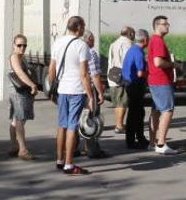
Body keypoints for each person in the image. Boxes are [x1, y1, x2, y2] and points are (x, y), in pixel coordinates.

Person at [48, 16, 96, 175]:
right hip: (76, 90)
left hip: (62, 89)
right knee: (72, 126)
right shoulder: (81, 45)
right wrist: (90, 95)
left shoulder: (58, 42)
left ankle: (59, 160)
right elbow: (84, 74)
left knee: (62, 125)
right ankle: (69, 164)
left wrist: (51, 90)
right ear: (79, 27)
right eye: (83, 26)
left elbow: (51, 70)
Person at [148, 15, 178, 155]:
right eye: (165, 24)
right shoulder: (158, 41)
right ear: (157, 25)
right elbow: (158, 62)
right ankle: (161, 144)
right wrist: (173, 64)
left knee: (156, 111)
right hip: (161, 81)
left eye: (168, 23)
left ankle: (153, 141)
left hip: (155, 81)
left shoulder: (154, 40)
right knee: (167, 111)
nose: (167, 26)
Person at [8, 34, 38, 160]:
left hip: (21, 92)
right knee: (20, 119)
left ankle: (15, 146)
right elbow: (20, 73)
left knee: (16, 120)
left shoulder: (22, 57)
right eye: (19, 45)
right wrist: (32, 85)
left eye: (24, 45)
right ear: (14, 45)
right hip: (18, 92)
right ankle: (22, 149)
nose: (22, 48)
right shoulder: (14, 57)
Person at [81, 30, 107, 159]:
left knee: (81, 119)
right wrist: (101, 93)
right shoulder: (91, 53)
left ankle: (78, 148)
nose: (94, 41)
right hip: (90, 89)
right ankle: (92, 149)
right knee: (92, 120)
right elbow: (95, 75)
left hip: (78, 89)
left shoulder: (77, 51)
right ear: (88, 39)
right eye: (93, 39)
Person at [122, 29, 149, 149]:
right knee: (136, 113)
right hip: (135, 85)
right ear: (145, 40)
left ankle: (137, 137)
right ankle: (133, 140)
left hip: (130, 83)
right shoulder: (138, 52)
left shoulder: (132, 50)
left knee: (137, 112)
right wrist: (150, 73)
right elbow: (140, 73)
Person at [107, 27, 134, 134]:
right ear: (130, 33)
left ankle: (118, 123)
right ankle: (119, 125)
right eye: (133, 33)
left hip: (113, 75)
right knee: (122, 101)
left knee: (117, 101)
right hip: (122, 75)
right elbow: (128, 61)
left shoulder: (114, 43)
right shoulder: (128, 44)